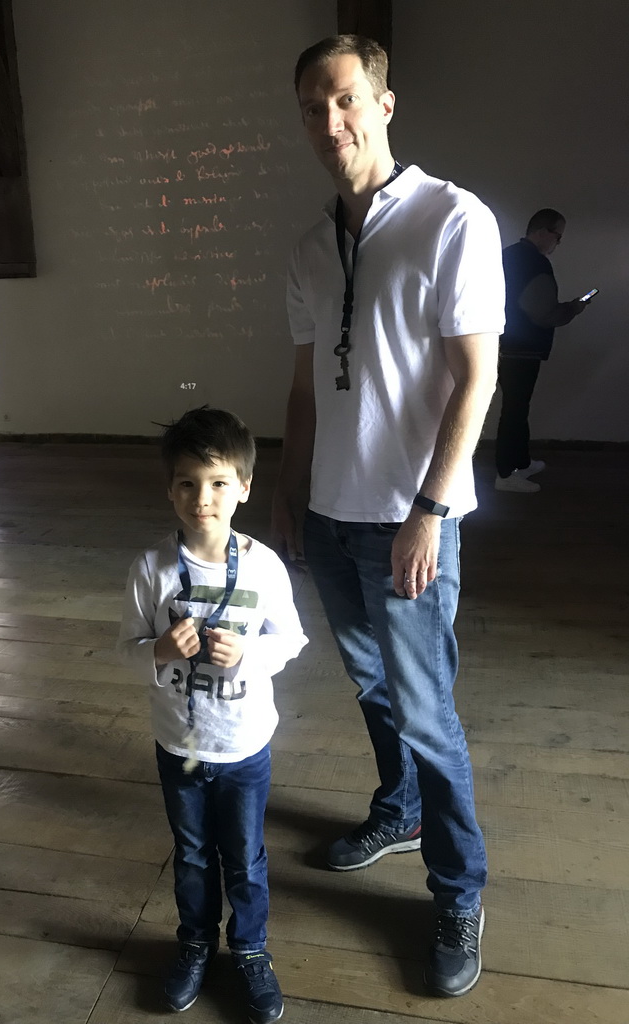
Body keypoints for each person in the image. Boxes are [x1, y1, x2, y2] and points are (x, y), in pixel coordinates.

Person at [272, 35, 505, 998]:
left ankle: (458, 890)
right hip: (328, 514)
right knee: (372, 688)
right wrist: (288, 495)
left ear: (384, 101)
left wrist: (428, 511)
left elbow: (476, 379)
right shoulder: (307, 244)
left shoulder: (453, 218)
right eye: (313, 111)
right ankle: (397, 807)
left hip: (411, 519)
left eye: (345, 101)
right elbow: (299, 388)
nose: (330, 125)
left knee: (428, 711)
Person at [119, 406, 307, 1023]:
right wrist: (157, 649)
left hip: (244, 745)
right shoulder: (152, 570)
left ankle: (249, 948)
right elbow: (124, 654)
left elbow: (292, 641)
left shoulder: (263, 566)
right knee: (193, 852)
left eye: (220, 482)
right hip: (178, 744)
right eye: (188, 483)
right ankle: (195, 943)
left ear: (245, 488)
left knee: (247, 857)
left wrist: (250, 654)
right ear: (169, 488)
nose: (204, 498)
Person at [495, 208, 590, 492]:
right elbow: (544, 314)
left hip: (506, 345)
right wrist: (573, 308)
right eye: (557, 236)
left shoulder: (510, 255)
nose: (557, 244)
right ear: (541, 232)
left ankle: (520, 464)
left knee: (517, 408)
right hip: (520, 350)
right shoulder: (533, 262)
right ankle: (505, 474)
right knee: (514, 410)